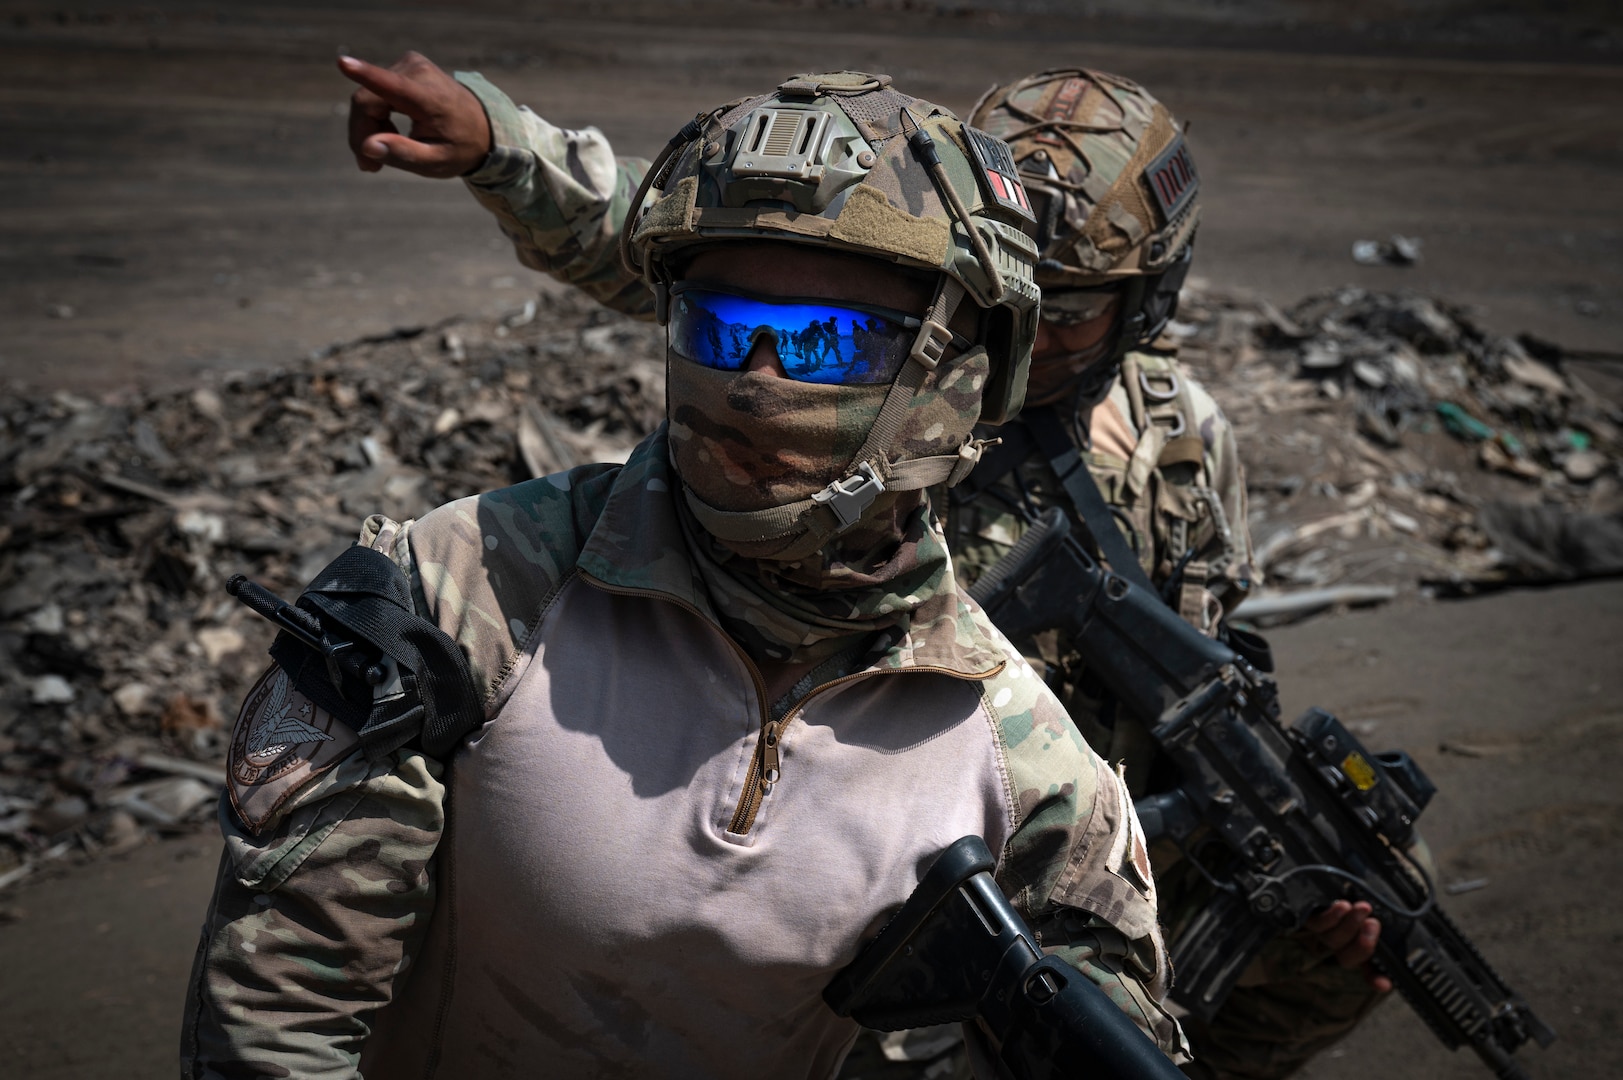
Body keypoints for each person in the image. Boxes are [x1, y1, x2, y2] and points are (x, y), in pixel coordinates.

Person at [316, 53, 1392, 1080]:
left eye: (1070, 305)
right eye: (1018, 284)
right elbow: (695, 241)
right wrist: (501, 142)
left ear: (1146, 300)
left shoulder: (1175, 441)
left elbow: (1214, 646)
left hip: (1049, 810)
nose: (1031, 319)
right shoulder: (889, 367)